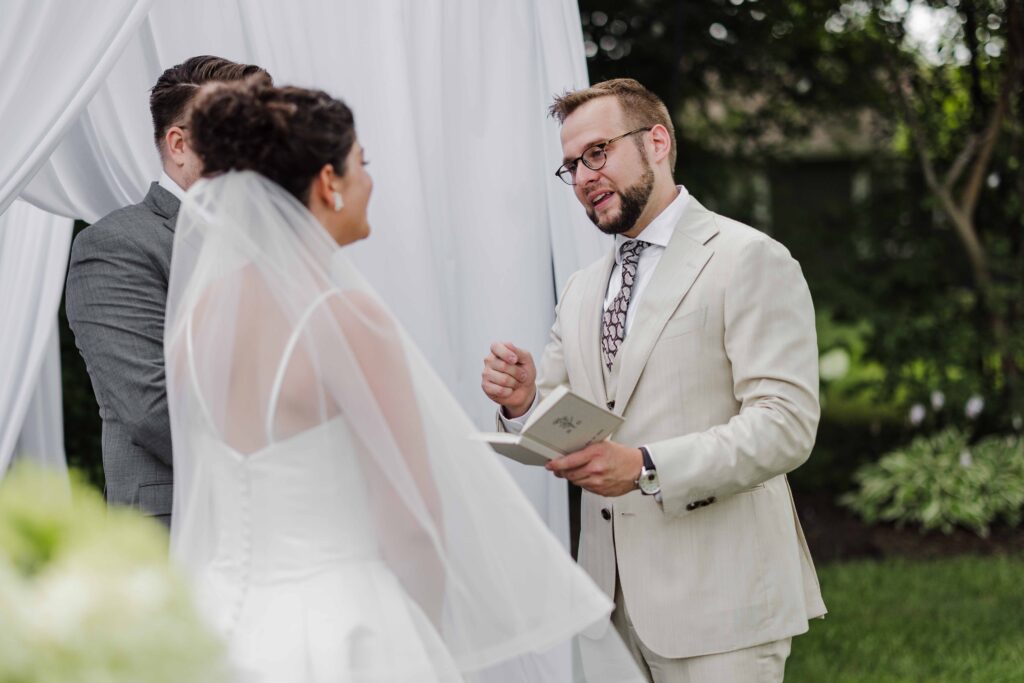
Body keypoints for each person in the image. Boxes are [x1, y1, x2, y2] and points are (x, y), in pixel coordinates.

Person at [166, 79, 645, 683]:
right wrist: (421, 640)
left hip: (220, 627)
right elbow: (414, 525)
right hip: (343, 631)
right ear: (327, 184)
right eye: (361, 164)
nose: (370, 180)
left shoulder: (197, 319)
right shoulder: (344, 320)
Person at [482, 78, 826, 682]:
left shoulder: (748, 258)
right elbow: (564, 424)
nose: (584, 176)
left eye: (597, 152)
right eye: (570, 166)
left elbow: (785, 426)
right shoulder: (583, 287)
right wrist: (525, 401)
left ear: (657, 141)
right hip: (608, 613)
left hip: (722, 612)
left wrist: (643, 465)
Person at [64, 56, 271, 524]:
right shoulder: (116, 246)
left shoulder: (271, 246)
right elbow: (152, 409)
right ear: (179, 144)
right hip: (178, 527)